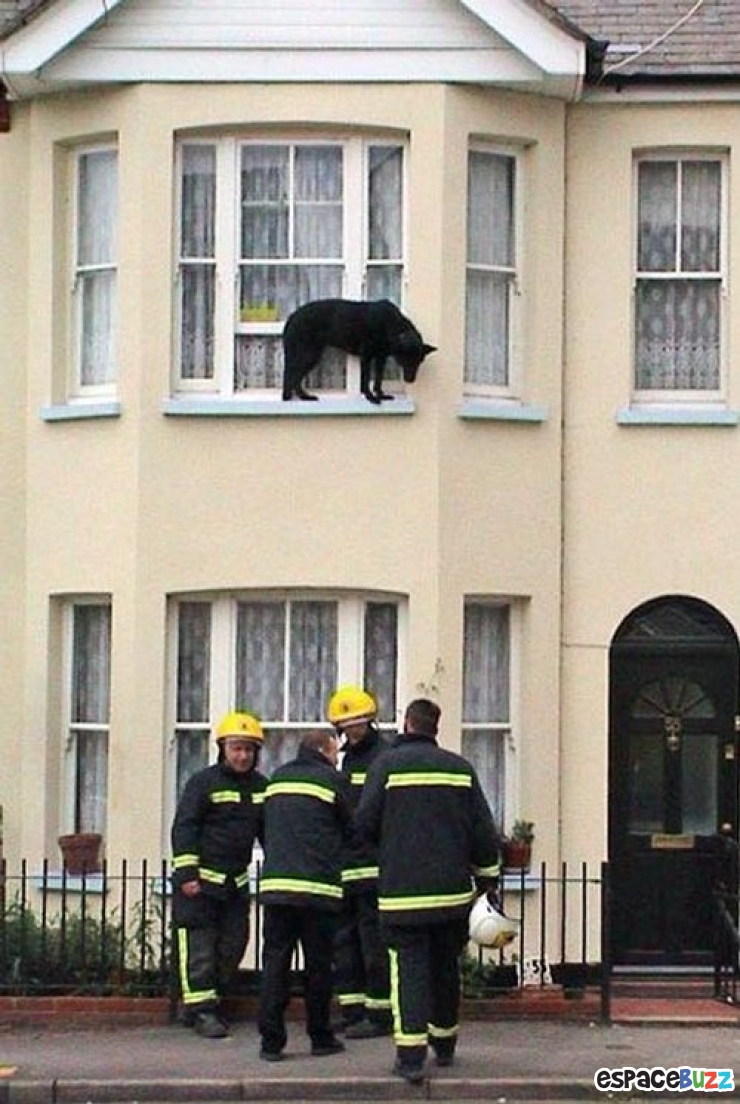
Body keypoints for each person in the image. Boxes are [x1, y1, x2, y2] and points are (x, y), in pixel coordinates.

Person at [355, 698, 502, 1083]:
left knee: (409, 972)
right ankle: (446, 1044)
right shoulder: (459, 769)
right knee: (444, 970)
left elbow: (364, 825)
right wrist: (487, 880)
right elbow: (483, 833)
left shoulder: (384, 766)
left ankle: (410, 1056)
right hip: (452, 896)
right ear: (435, 727)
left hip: (402, 894)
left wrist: (389, 855)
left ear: (406, 723)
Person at [170, 711, 267, 1039]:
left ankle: (212, 1001)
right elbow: (185, 827)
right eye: (236, 748)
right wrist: (186, 872)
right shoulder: (203, 783)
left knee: (233, 945)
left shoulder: (261, 787)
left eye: (249, 750)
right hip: (200, 883)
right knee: (200, 950)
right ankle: (202, 1011)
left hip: (235, 884)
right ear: (222, 748)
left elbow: (270, 834)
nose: (242, 756)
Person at [257, 728, 353, 1061]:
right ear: (326, 751)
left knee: (275, 965)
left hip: (277, 888)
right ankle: (320, 1036)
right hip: (318, 890)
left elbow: (265, 828)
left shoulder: (277, 780)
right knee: (318, 968)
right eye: (335, 752)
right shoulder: (332, 781)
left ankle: (271, 1042)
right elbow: (352, 827)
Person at [327, 684, 392, 1038]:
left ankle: (379, 1013)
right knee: (344, 941)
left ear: (370, 722)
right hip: (344, 867)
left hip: (374, 867)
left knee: (374, 943)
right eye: (346, 726)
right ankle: (352, 1010)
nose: (352, 731)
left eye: (358, 724)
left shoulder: (384, 757)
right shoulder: (344, 758)